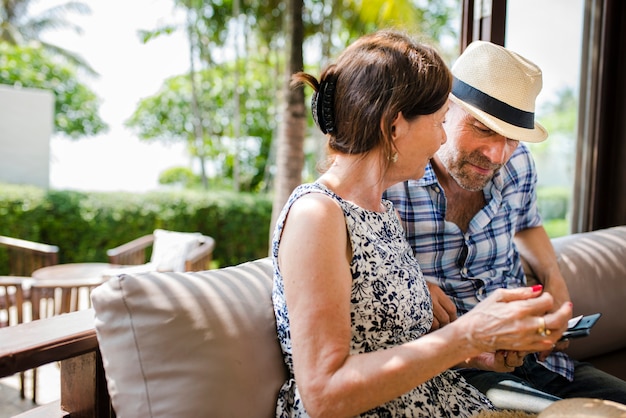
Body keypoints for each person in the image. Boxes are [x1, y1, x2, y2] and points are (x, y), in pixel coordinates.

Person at [271, 30, 572, 418]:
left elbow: (396, 350)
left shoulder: (382, 212)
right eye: (440, 121)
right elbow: (325, 396)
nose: (441, 139)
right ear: (395, 126)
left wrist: (476, 353)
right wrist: (468, 333)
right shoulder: (317, 216)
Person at [384, 40, 626, 412]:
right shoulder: (392, 177)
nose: (498, 155)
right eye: (483, 129)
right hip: (456, 371)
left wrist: (554, 279)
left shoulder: (519, 164)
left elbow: (528, 225)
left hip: (536, 357)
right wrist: (412, 285)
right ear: (444, 109)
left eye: (511, 137)